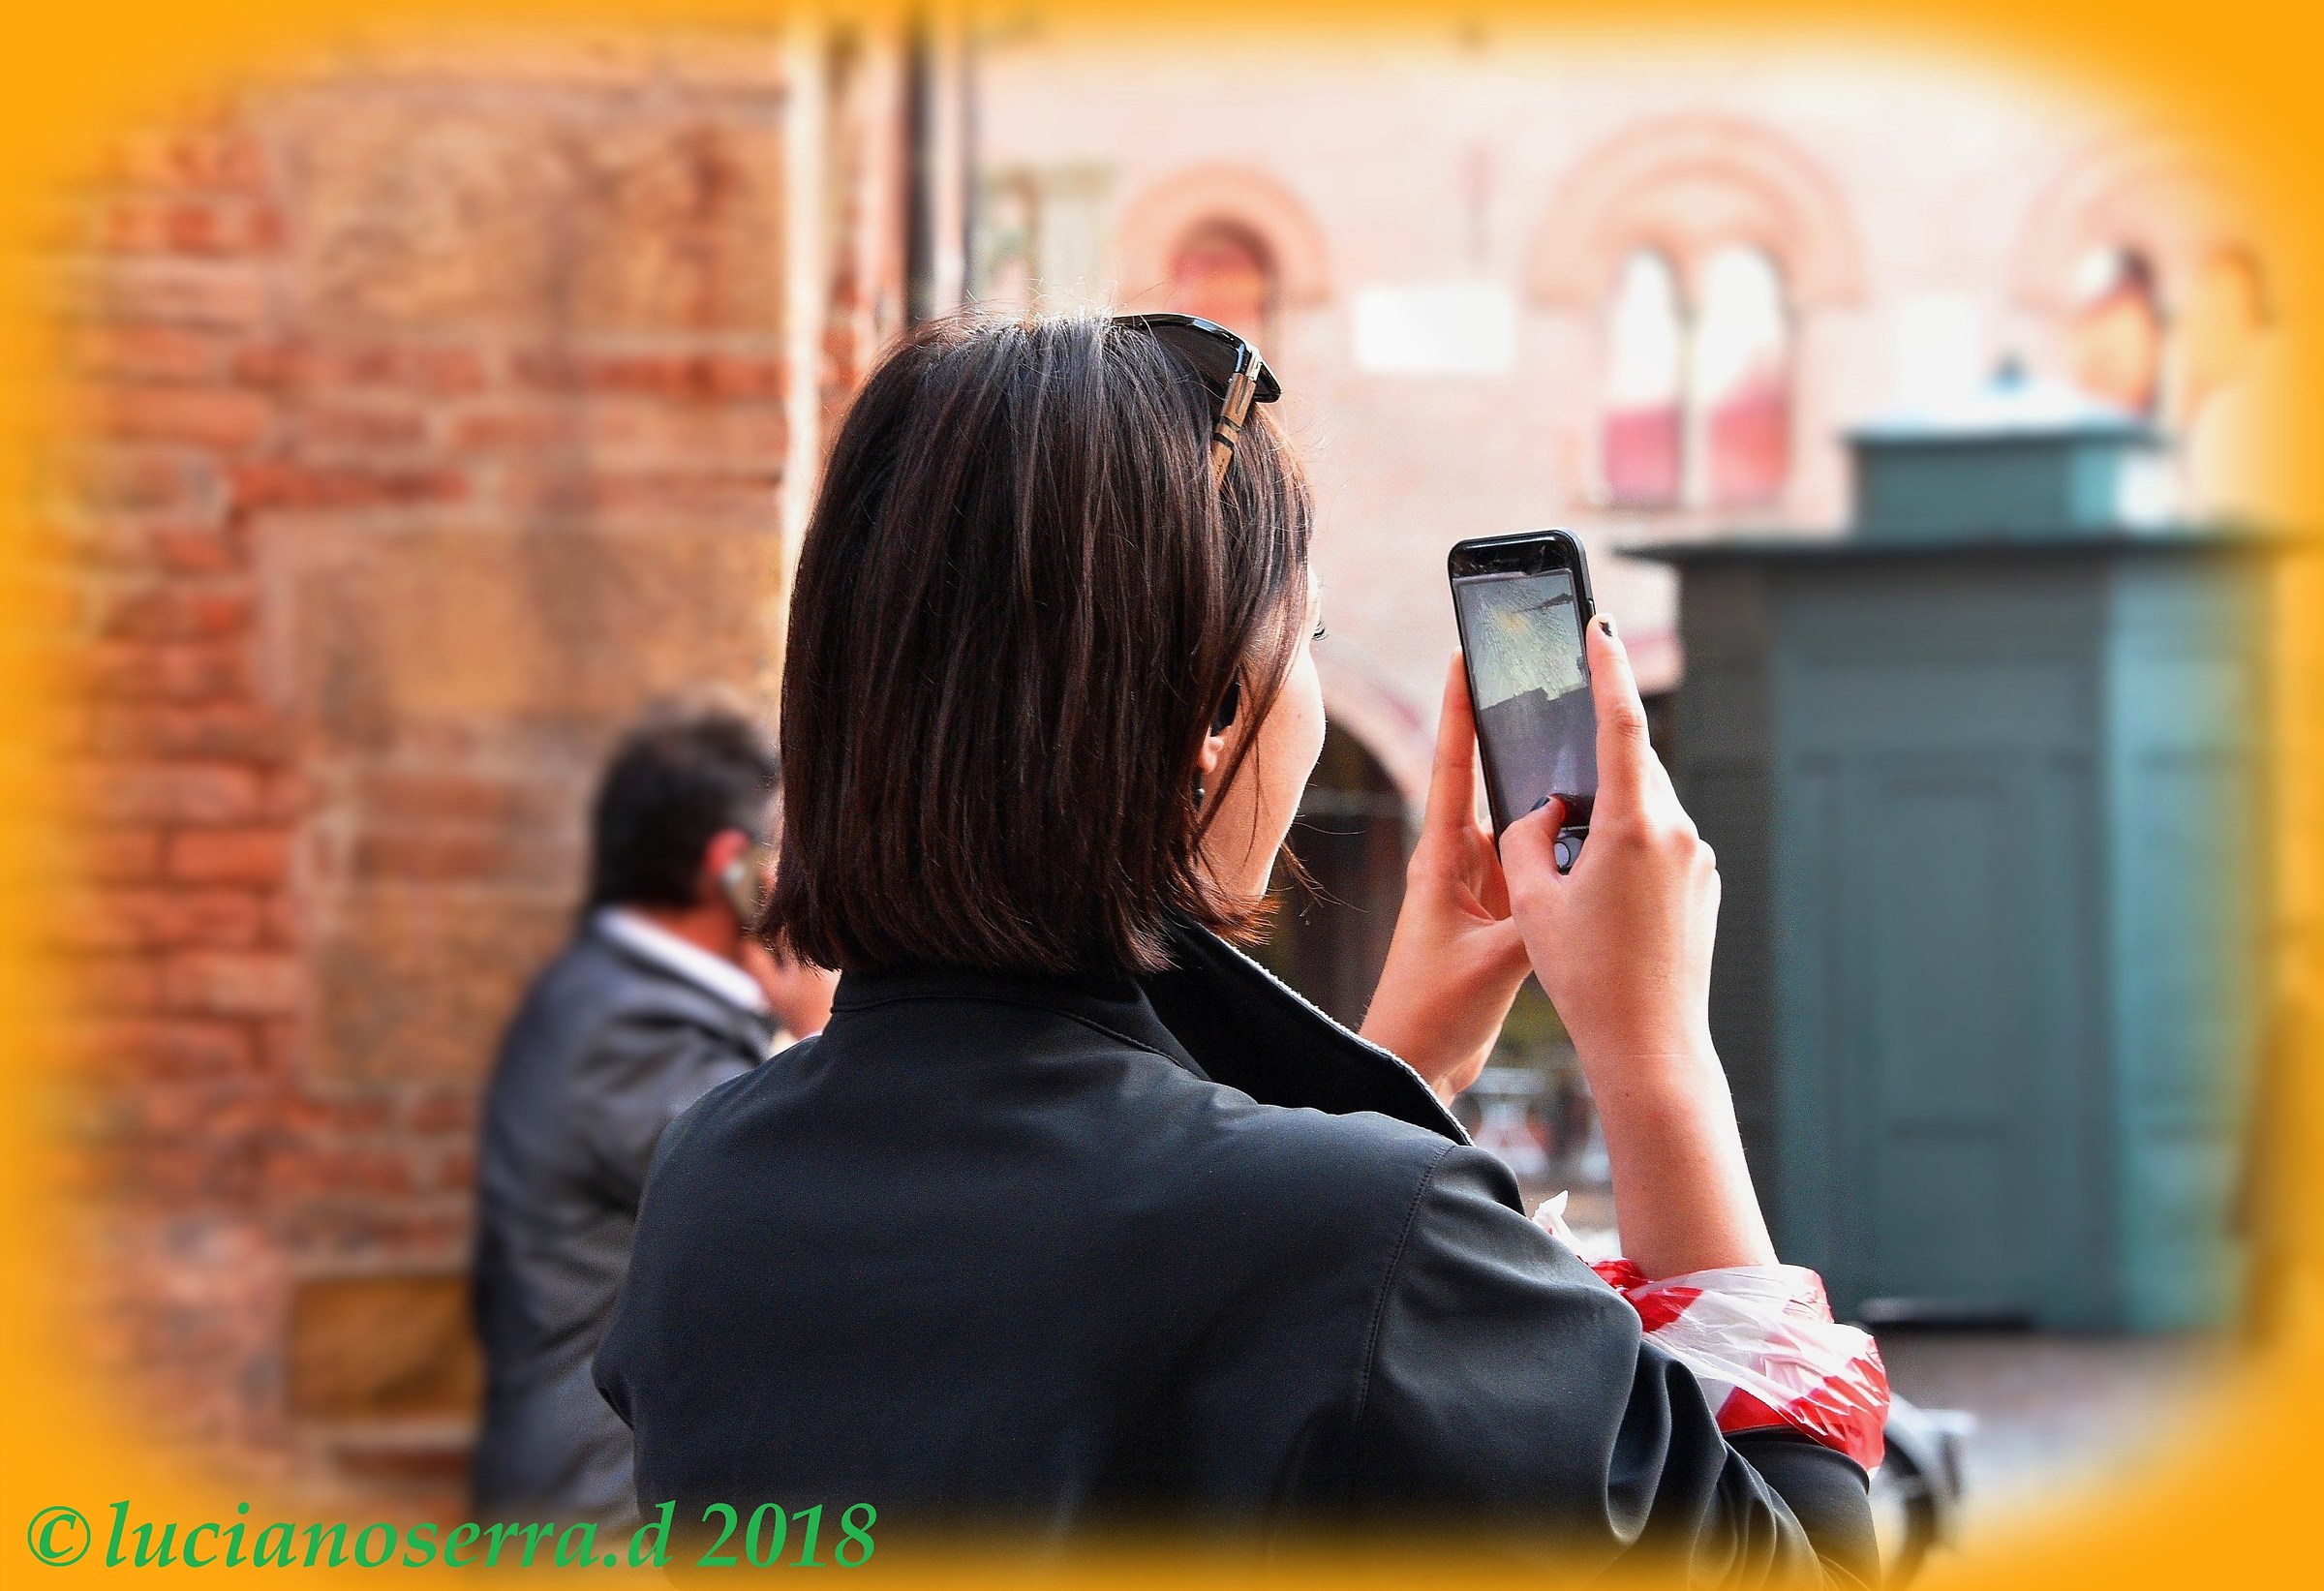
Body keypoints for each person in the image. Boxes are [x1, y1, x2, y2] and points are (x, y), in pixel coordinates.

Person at [595, 316, 1883, 1577]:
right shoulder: (1362, 1238)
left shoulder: (713, 1180)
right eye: (1305, 640)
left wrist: (1398, 1067)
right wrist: (1656, 1054)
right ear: (1213, 707)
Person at [471, 695, 835, 1526]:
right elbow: (802, 1212)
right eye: (794, 847)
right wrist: (827, 1031)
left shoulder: (615, 1001)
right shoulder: (628, 1030)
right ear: (734, 868)